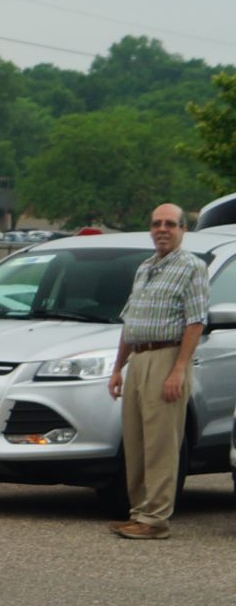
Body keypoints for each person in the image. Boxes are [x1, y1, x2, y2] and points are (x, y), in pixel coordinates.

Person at [108, 203, 209, 540]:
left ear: (183, 230)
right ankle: (139, 512)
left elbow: (195, 321)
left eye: (169, 224)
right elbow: (129, 320)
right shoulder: (145, 268)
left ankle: (156, 519)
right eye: (156, 224)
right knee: (136, 441)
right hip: (138, 358)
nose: (162, 229)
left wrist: (179, 370)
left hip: (166, 357)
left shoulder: (192, 267)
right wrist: (117, 368)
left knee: (161, 442)